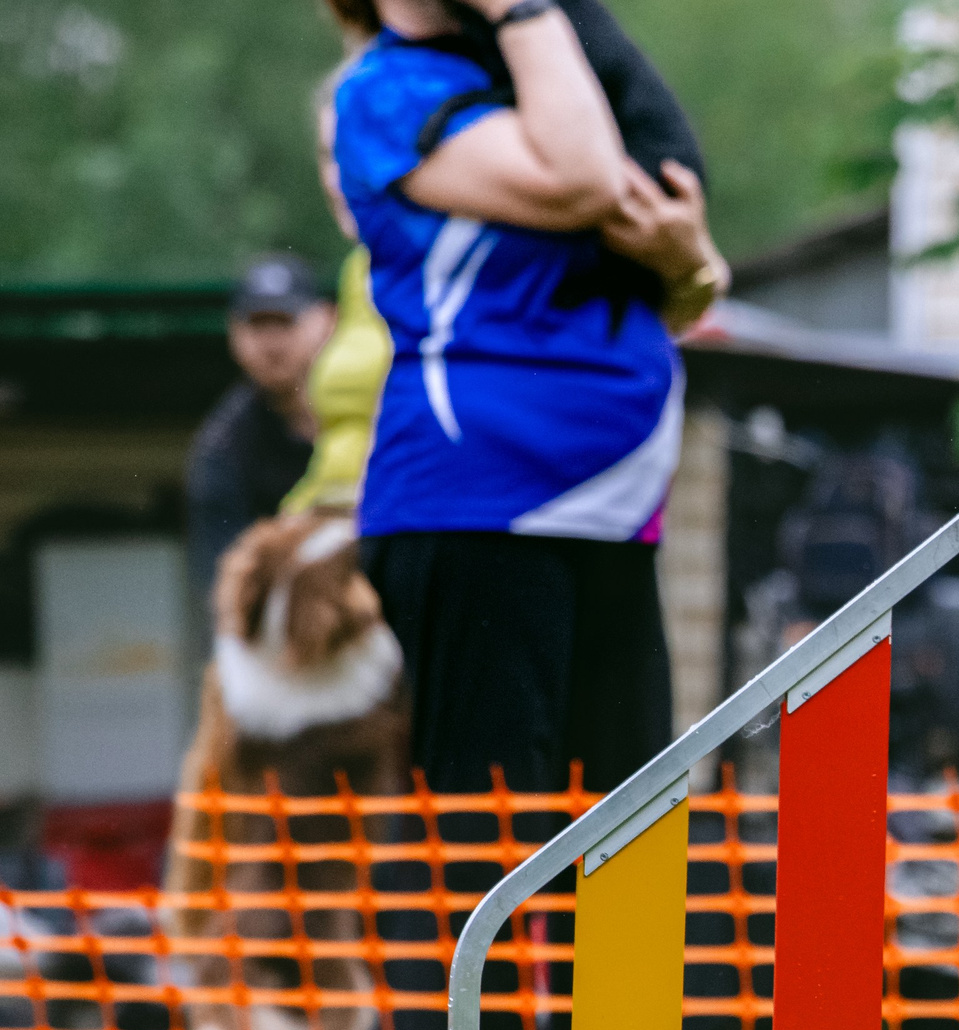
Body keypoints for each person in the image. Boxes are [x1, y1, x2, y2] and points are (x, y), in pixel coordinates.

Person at [331, 0, 729, 797]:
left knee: (624, 841)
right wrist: (521, 6)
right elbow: (582, 182)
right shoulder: (388, 89)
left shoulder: (542, 83)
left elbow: (688, 298)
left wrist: (690, 262)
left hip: (614, 506)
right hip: (478, 503)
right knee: (484, 837)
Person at [184, 255, 336, 597]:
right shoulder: (223, 446)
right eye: (256, 324)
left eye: (285, 321)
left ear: (328, 319)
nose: (271, 341)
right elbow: (225, 583)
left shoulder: (376, 416)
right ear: (233, 332)